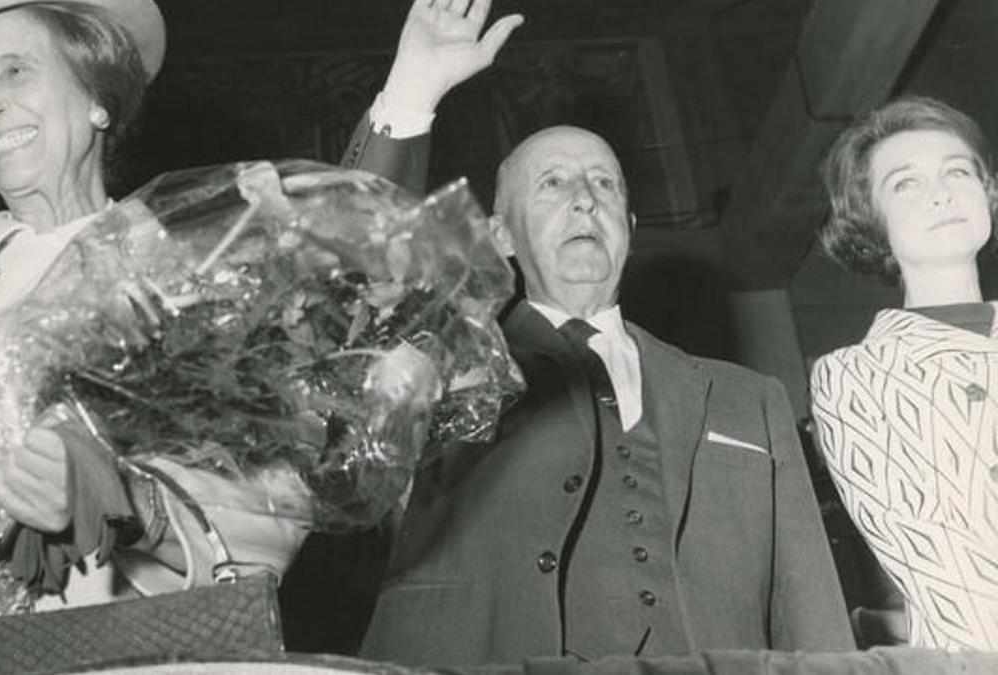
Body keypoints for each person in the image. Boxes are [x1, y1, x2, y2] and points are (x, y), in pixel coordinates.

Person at [0, 0, 521, 668]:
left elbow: (274, 514)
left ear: (97, 97)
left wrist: (128, 500)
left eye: (15, 70)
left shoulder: (185, 275)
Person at [360, 125, 855, 669]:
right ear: (500, 236)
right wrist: (411, 99)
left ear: (630, 227)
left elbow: (811, 610)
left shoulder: (748, 399)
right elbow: (346, 268)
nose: (584, 199)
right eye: (552, 183)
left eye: (605, 183)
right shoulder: (439, 369)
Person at [810, 96, 998, 652]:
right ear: (870, 221)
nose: (941, 192)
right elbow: (949, 578)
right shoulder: (853, 377)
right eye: (905, 183)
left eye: (958, 171)